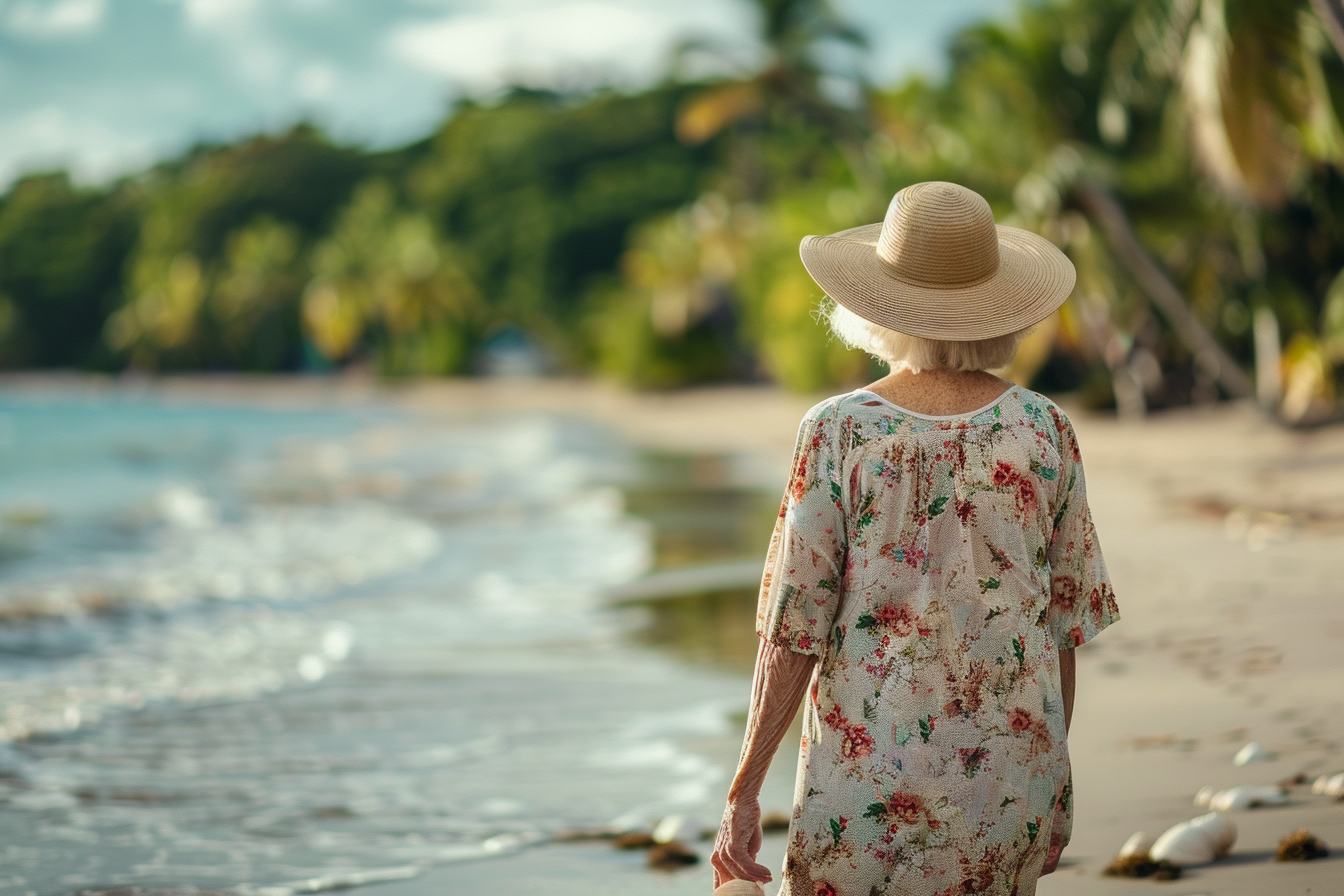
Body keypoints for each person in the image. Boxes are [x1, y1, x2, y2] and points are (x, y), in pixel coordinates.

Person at [709, 182, 1119, 896]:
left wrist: (745, 788)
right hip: (1007, 784)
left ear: (876, 306)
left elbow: (793, 629)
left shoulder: (838, 432)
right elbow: (1063, 624)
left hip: (863, 795)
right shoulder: (1044, 429)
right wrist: (1049, 770)